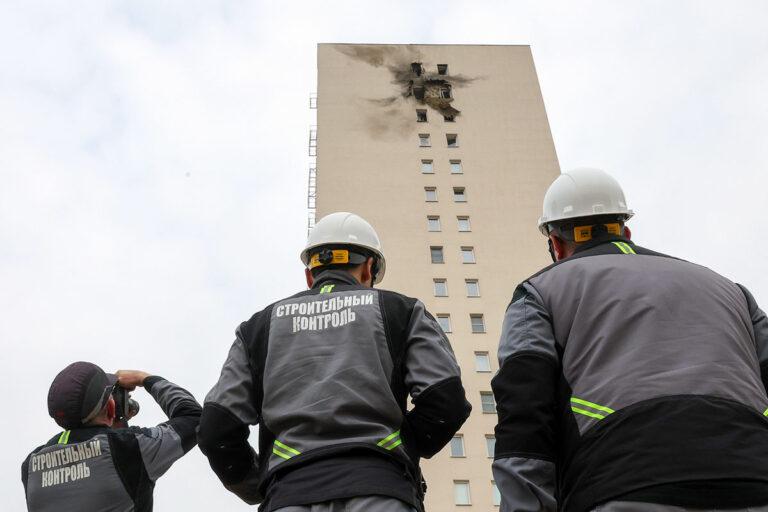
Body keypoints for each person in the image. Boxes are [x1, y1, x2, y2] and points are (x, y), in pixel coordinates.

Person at [491, 167, 768, 512]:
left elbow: (524, 416)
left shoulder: (539, 292)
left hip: (620, 481)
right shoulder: (732, 291)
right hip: (755, 475)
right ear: (625, 230)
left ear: (556, 245)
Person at [198, 211, 471, 512]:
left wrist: (258, 484)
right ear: (369, 269)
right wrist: (400, 447)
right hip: (381, 493)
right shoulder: (401, 311)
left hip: (289, 495)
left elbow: (216, 429)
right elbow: (446, 401)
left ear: (309, 274)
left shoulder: (257, 328)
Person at [22, 362, 202, 512]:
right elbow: (193, 418)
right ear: (110, 408)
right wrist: (144, 378)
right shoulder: (129, 449)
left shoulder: (30, 466)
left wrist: (113, 426)